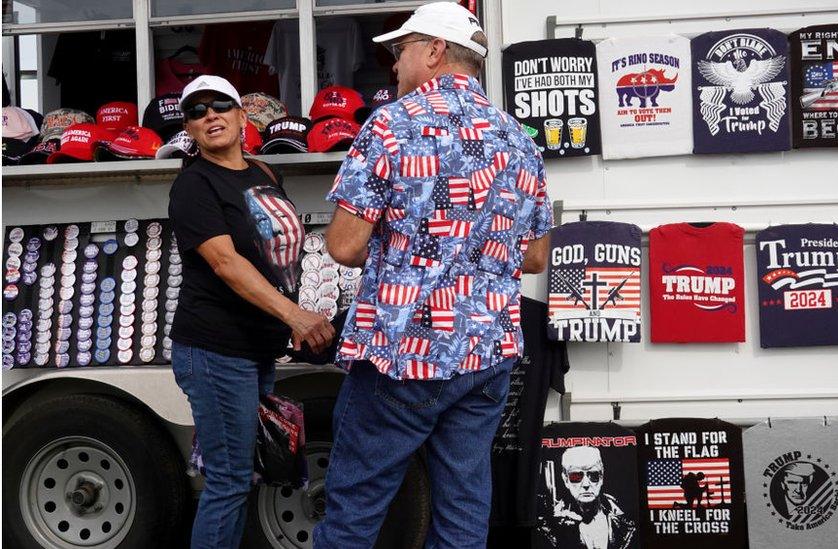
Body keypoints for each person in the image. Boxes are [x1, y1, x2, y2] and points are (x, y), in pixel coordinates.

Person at [312, 3, 553, 547]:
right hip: (487, 350)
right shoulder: (518, 138)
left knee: (354, 507)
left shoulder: (392, 125)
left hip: (405, 350)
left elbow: (345, 247)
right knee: (465, 509)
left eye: (401, 51)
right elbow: (536, 258)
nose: (394, 65)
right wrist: (472, 250)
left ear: (435, 51)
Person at [167, 74, 335, 549]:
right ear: (191, 129)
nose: (210, 116)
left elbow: (275, 253)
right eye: (197, 111)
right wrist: (295, 316)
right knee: (228, 482)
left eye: (220, 105)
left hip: (255, 348)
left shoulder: (263, 172)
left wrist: (291, 315)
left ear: (243, 116)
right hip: (216, 350)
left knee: (246, 476)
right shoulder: (194, 185)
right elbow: (226, 263)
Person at [536, 446, 637, 549]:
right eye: (576, 476)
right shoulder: (550, 526)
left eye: (593, 475)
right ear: (566, 480)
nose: (585, 484)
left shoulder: (625, 520)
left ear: (601, 477)